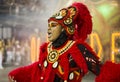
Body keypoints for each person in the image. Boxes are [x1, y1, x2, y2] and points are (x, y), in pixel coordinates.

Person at [8, 2, 120, 82]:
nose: (48, 29)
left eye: (53, 26)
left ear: (64, 29)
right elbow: (39, 68)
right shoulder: (48, 48)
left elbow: (102, 71)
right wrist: (19, 74)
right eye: (48, 26)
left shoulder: (78, 49)